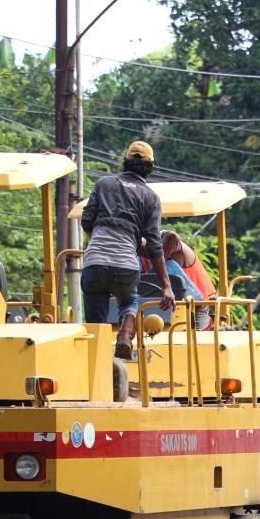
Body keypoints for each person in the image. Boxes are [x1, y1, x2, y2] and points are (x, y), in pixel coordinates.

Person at [79, 140, 170, 357]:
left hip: (95, 262)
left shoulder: (103, 184)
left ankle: (98, 361)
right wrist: (166, 285)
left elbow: (86, 220)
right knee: (129, 301)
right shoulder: (151, 198)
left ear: (125, 162)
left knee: (95, 323)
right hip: (126, 265)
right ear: (150, 168)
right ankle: (125, 336)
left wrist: (99, 241)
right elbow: (155, 243)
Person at [163, 231, 214, 330]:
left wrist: (159, 254)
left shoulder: (180, 248)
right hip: (173, 306)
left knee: (198, 339)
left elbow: (172, 237)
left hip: (198, 306)